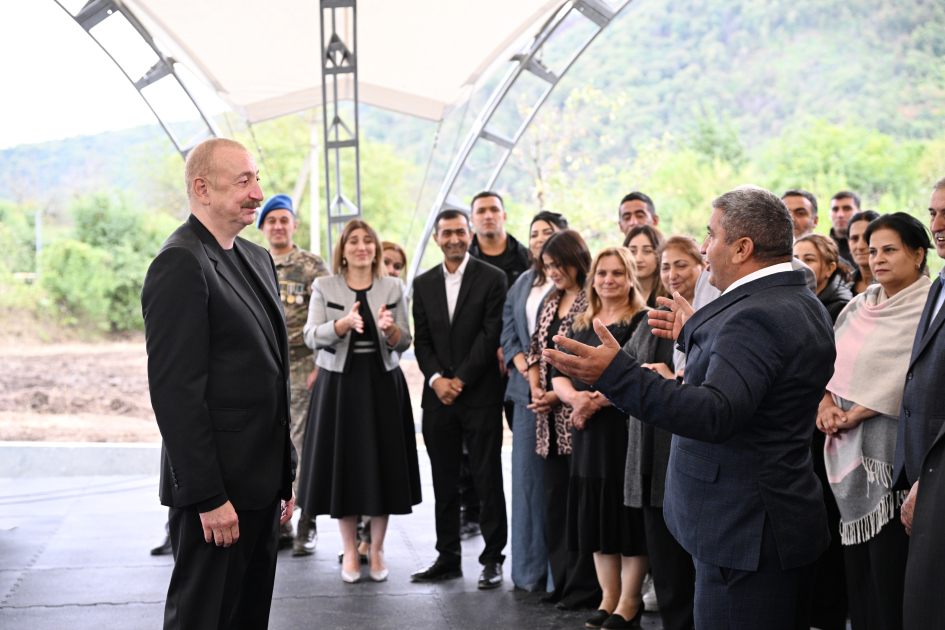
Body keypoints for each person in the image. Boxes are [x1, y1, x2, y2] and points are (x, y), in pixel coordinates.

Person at [545, 187, 836, 630]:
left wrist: (617, 375)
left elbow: (715, 412)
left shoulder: (755, 315)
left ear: (742, 248)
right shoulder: (793, 298)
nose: (703, 247)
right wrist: (696, 333)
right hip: (768, 520)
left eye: (711, 234)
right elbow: (758, 379)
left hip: (743, 533)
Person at [140, 138, 297, 630]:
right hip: (218, 495)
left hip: (260, 485)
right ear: (202, 189)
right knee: (203, 620)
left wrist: (284, 474)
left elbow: (272, 374)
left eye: (257, 179)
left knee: (247, 618)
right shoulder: (180, 262)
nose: (258, 193)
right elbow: (175, 394)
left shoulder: (255, 257)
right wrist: (208, 497)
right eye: (244, 181)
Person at [817, 212, 932, 630]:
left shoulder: (930, 309)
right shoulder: (856, 307)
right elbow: (825, 365)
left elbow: (913, 377)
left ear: (918, 254)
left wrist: (856, 412)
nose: (876, 258)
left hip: (896, 462)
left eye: (889, 249)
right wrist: (825, 404)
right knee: (860, 581)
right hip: (847, 455)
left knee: (890, 583)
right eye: (871, 250)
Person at [297, 219, 420, 583]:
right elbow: (310, 336)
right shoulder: (324, 285)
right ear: (343, 249)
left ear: (376, 249)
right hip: (339, 385)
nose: (362, 246)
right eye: (354, 241)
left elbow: (405, 341)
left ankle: (377, 549)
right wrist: (342, 325)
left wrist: (390, 330)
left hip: (382, 384)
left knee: (383, 467)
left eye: (368, 240)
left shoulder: (393, 286)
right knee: (344, 468)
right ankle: (350, 550)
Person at [410, 209, 509, 589]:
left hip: (480, 395)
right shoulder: (422, 283)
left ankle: (493, 559)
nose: (453, 238)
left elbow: (490, 334)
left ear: (470, 235)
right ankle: (448, 557)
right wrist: (437, 380)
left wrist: (460, 379)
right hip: (438, 399)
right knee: (444, 482)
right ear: (436, 238)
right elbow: (422, 341)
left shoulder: (493, 278)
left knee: (487, 479)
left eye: (459, 232)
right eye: (446, 233)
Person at [552, 247, 649, 629]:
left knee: (626, 519)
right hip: (587, 436)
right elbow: (558, 373)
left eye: (617, 273)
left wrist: (594, 401)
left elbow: (642, 373)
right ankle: (608, 599)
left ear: (630, 278)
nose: (608, 280)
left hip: (622, 432)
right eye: (602, 273)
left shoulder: (641, 320)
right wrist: (576, 399)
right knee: (595, 516)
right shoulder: (581, 322)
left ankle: (629, 602)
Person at [617, 235, 702, 630]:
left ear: (702, 266)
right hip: (649, 452)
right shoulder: (655, 315)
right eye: (666, 266)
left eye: (681, 264)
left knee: (694, 565)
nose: (672, 274)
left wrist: (673, 379)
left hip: (686, 455)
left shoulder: (713, 314)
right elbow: (626, 364)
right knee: (666, 566)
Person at [525, 229, 601, 610]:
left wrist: (558, 394)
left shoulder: (593, 299)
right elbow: (535, 349)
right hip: (547, 424)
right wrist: (535, 389)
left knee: (580, 506)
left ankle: (584, 587)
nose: (552, 272)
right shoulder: (549, 300)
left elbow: (591, 358)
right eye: (547, 266)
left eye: (558, 265)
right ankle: (563, 582)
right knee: (555, 505)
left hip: (578, 416)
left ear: (576, 259)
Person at [257, 193, 329, 555]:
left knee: (301, 444)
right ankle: (280, 523)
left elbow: (331, 315)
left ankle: (306, 523)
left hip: (303, 365)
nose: (278, 226)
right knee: (269, 444)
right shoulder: (251, 260)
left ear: (294, 225)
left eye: (284, 220)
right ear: (262, 227)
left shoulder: (312, 265)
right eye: (271, 221)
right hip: (263, 367)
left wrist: (320, 362)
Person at [500, 210, 567, 591]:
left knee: (561, 486)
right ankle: (528, 572)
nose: (540, 238)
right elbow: (509, 335)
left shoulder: (577, 282)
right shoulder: (522, 283)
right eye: (535, 233)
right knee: (526, 484)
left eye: (548, 232)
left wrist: (551, 383)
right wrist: (531, 377)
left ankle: (563, 577)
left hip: (566, 395)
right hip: (527, 393)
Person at [466, 190, 530, 539]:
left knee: (523, 441)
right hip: (479, 366)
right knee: (473, 448)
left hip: (521, 365)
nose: (488, 215)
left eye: (494, 209)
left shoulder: (526, 258)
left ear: (504, 215)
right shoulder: (464, 259)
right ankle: (471, 512)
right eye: (481, 211)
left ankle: (524, 516)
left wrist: (511, 348)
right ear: (472, 219)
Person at [896, 180, 945, 629]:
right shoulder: (938, 285)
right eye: (932, 213)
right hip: (919, 468)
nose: (938, 225)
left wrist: (928, 483)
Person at [794, 233, 853, 322]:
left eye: (809, 259)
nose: (799, 266)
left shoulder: (841, 308)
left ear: (829, 269)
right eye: (795, 260)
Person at [623, 225, 669, 308]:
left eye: (647, 251)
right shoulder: (619, 293)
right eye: (632, 251)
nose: (638, 259)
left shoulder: (671, 293)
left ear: (660, 255)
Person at [847, 210, 881, 295]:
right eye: (854, 238)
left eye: (867, 238)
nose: (860, 246)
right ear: (848, 244)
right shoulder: (843, 283)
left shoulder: (893, 284)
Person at [829, 190, 862, 263]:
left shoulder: (871, 247)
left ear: (860, 213)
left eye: (847, 209)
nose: (840, 215)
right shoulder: (823, 249)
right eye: (835, 209)